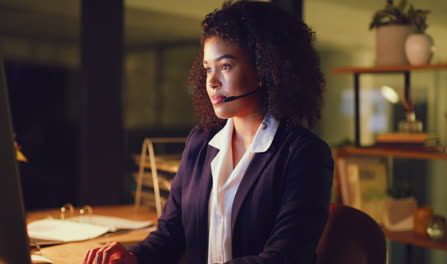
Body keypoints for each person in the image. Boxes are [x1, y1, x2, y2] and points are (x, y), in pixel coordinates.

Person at [82, 1, 333, 263]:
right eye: (207, 69)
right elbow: (170, 233)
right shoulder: (201, 142)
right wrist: (131, 257)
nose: (211, 82)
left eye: (225, 66)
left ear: (264, 69)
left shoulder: (305, 154)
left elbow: (284, 257)